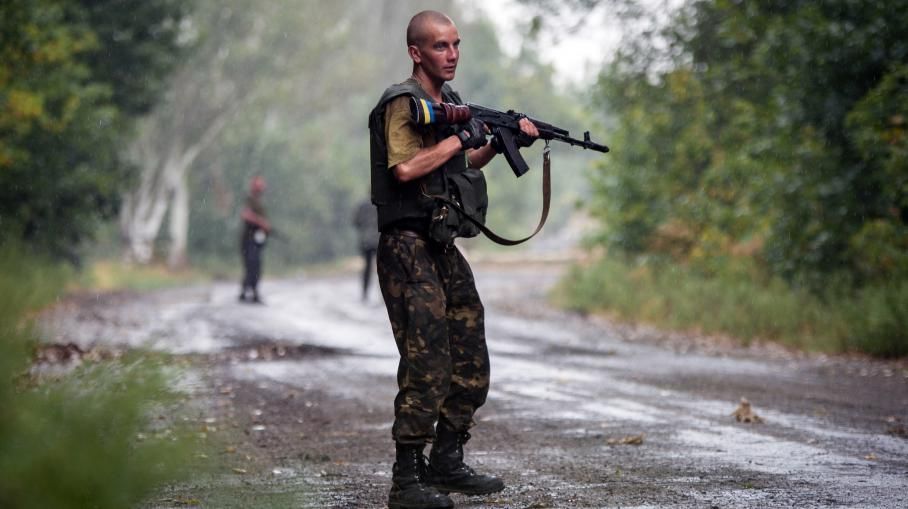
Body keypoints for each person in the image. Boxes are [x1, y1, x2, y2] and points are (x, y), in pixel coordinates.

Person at [368, 10, 538, 509]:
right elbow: (405, 169)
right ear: (416, 52)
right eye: (440, 46)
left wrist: (507, 141)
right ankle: (407, 480)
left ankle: (446, 461)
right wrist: (458, 139)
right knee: (426, 360)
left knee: (470, 352)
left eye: (456, 44)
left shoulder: (456, 105)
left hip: (441, 242)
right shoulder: (403, 103)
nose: (453, 54)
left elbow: (461, 160)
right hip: (406, 243)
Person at [238, 175, 271, 304]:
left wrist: (266, 227)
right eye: (259, 185)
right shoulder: (250, 200)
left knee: (255, 266)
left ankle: (251, 291)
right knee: (251, 265)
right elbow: (245, 214)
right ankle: (248, 291)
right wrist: (261, 222)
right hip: (248, 240)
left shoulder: (259, 202)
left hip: (256, 241)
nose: (261, 188)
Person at [353, 199, 380, 302]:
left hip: (366, 241)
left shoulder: (362, 205)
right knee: (382, 267)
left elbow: (356, 222)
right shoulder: (381, 203)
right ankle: (383, 294)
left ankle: (365, 293)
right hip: (379, 240)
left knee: (367, 268)